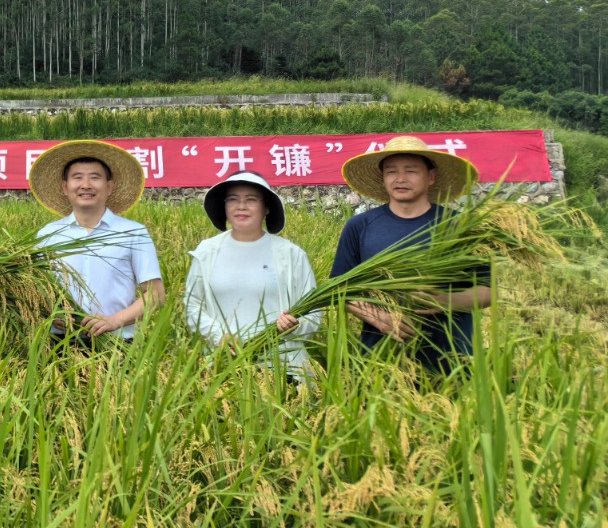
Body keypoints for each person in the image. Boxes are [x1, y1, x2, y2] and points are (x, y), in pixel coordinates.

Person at [334, 135, 490, 371]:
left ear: (431, 177)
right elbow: (338, 290)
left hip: (451, 359)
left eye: (411, 170)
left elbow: (488, 291)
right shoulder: (360, 226)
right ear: (383, 178)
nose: (400, 179)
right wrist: (380, 318)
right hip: (378, 361)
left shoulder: (459, 226)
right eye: (391, 171)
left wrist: (445, 301)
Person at [182, 170, 318, 377]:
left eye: (251, 199)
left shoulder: (291, 254)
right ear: (225, 206)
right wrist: (219, 336)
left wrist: (295, 325)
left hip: (283, 369)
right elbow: (193, 306)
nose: (241, 206)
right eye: (233, 199)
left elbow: (314, 312)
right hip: (222, 367)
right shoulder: (206, 252)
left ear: (267, 208)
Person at [29, 140, 164, 340]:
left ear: (109, 187)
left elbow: (155, 295)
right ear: (65, 187)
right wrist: (50, 311)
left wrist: (114, 320)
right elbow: (33, 289)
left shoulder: (133, 233)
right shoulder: (48, 235)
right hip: (59, 343)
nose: (86, 185)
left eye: (95, 178)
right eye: (77, 178)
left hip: (118, 344)